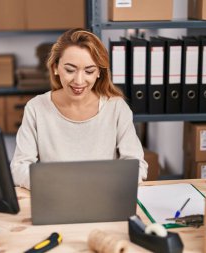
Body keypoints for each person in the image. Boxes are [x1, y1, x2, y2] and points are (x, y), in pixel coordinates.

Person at [10, 28, 148, 189]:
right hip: (55, 195)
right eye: (70, 70)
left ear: (98, 73)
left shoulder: (116, 107)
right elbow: (19, 168)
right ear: (55, 68)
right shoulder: (36, 107)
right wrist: (56, 184)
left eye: (89, 71)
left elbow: (137, 166)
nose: (79, 80)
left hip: (104, 196)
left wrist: (107, 183)